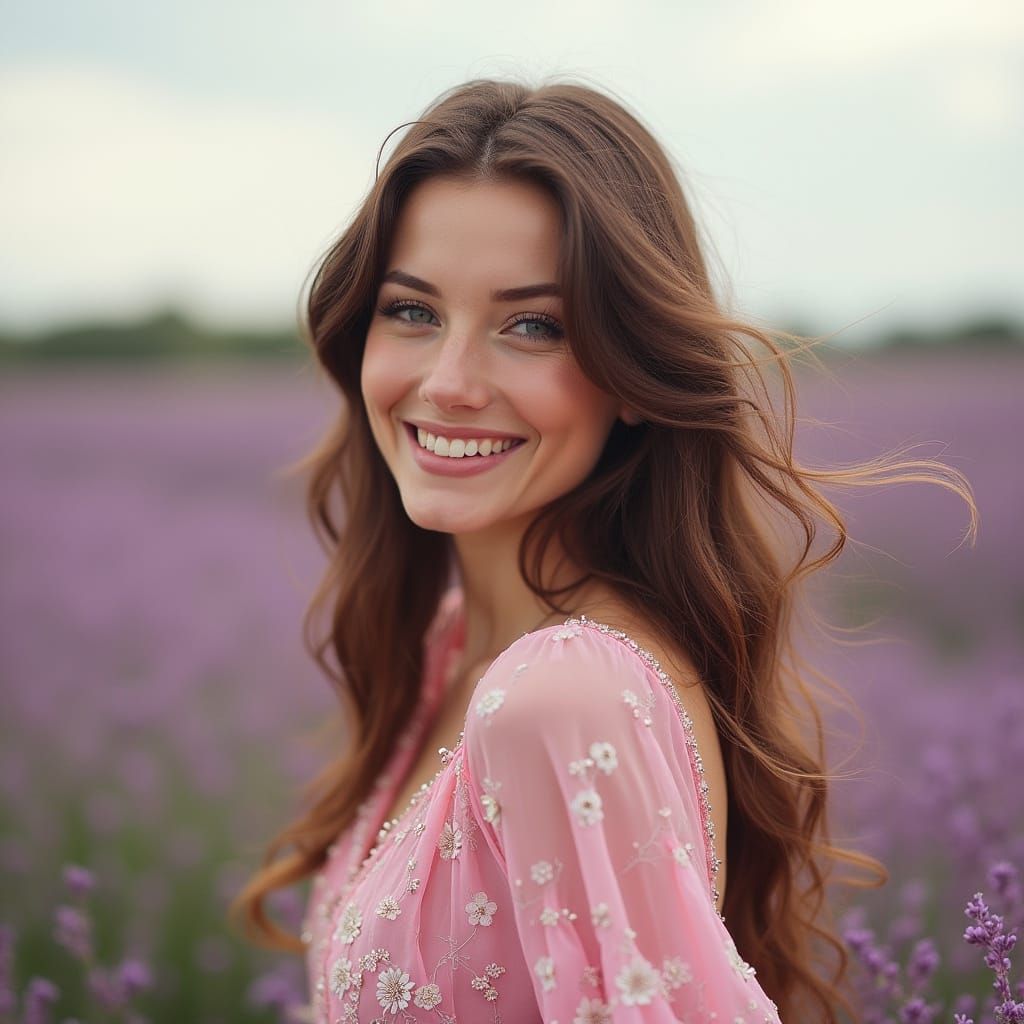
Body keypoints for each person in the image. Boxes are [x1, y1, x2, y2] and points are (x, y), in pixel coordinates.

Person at [232, 76, 976, 1022]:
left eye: (532, 325)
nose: (449, 382)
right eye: (412, 310)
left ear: (630, 373)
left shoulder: (563, 690)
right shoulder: (452, 645)